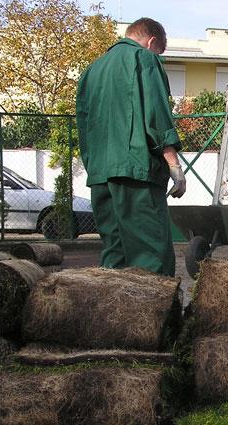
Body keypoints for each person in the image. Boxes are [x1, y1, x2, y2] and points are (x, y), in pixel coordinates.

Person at [76, 17, 185, 277]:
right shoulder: (144, 59)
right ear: (152, 42)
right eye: (160, 52)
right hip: (136, 174)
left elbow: (84, 126)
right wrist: (174, 166)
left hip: (101, 176)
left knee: (115, 254)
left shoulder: (91, 71)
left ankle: (111, 316)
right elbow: (156, 116)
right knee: (151, 255)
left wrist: (95, 167)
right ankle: (156, 317)